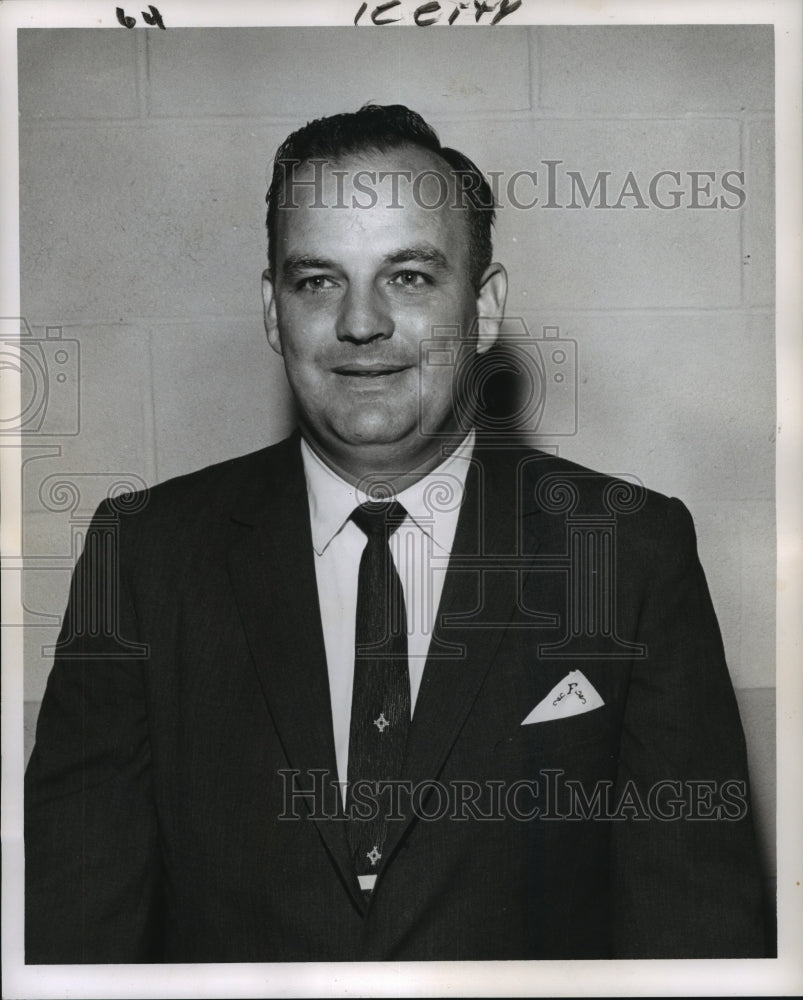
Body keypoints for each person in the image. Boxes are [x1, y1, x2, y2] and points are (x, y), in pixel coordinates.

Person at [25, 104, 767, 962]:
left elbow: (697, 930)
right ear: (273, 312)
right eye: (318, 281)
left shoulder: (631, 550)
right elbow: (76, 935)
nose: (361, 322)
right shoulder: (144, 556)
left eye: (409, 276)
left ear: (483, 308)